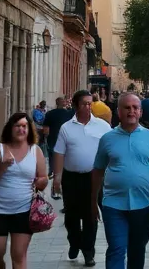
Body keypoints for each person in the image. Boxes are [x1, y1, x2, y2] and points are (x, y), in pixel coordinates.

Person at [92, 93, 149, 269]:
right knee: (116, 249)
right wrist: (92, 201)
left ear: (140, 112)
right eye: (127, 107)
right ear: (119, 111)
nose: (131, 111)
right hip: (113, 204)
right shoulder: (107, 138)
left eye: (135, 108)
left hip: (144, 204)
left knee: (137, 250)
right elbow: (98, 170)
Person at [53, 89, 112, 267]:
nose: (88, 107)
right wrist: (57, 177)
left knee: (90, 215)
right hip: (71, 178)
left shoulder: (102, 126)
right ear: (77, 106)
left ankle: (88, 252)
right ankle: (74, 242)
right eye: (84, 103)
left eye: (90, 103)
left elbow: (112, 147)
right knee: (71, 216)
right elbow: (59, 153)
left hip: (94, 178)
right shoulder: (66, 127)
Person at [0, 112, 48, 269]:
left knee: (19, 255)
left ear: (29, 130)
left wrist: (40, 182)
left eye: (24, 126)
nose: (21, 129)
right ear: (10, 129)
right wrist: (1, 167)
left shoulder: (35, 151)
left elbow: (44, 178)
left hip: (23, 209)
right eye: (17, 126)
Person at [44, 96, 74, 198]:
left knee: (54, 168)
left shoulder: (49, 114)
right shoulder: (69, 114)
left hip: (52, 142)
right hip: (66, 144)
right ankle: (63, 192)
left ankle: (54, 190)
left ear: (56, 103)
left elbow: (46, 130)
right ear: (64, 103)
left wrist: (46, 138)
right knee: (64, 169)